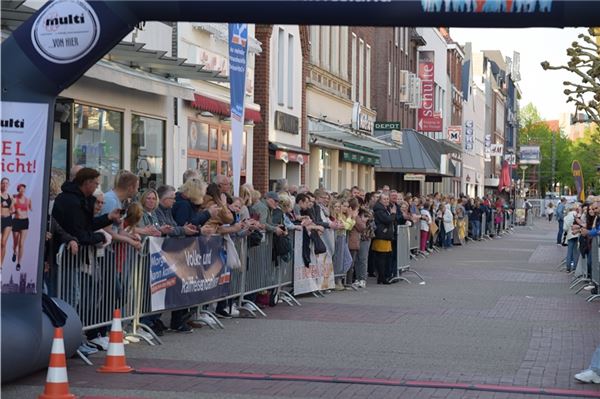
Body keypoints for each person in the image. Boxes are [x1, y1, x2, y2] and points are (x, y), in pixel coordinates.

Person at [372, 193, 395, 284]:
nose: (386, 201)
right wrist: (393, 213)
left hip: (386, 235)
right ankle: (382, 278)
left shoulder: (385, 208)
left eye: (387, 199)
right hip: (381, 235)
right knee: (381, 258)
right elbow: (387, 220)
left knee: (385, 257)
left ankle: (383, 277)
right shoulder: (379, 209)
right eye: (384, 199)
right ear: (380, 200)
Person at [11, 184, 32, 271]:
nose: (22, 190)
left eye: (23, 189)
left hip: (24, 222)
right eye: (20, 189)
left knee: (21, 244)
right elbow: (11, 210)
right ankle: (14, 252)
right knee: (15, 242)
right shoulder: (14, 200)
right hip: (16, 222)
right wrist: (14, 211)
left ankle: (18, 263)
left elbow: (31, 209)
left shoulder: (28, 200)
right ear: (18, 190)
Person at [1, 177, 14, 266]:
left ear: (8, 185)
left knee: (3, 243)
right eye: (3, 183)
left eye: (7, 183)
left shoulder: (10, 196)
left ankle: (0, 265)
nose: (5, 185)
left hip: (8, 221)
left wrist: (12, 208)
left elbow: (12, 210)